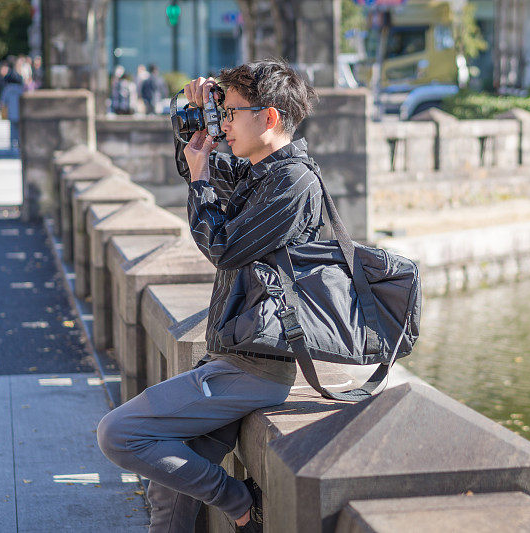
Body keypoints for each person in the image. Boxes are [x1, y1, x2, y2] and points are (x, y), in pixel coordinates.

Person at [97, 58, 322, 533]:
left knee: (118, 434)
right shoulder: (261, 172)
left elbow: (223, 247)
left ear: (270, 117)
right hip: (230, 359)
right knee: (168, 487)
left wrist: (201, 180)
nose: (226, 123)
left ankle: (238, 499)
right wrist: (202, 117)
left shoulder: (293, 182)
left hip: (256, 368)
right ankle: (227, 501)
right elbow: (197, 165)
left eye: (234, 113)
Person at [0, 58, 25, 152]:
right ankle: (19, 143)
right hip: (19, 111)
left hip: (11, 111)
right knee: (19, 128)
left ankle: (12, 144)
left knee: (12, 129)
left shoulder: (7, 89)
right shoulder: (20, 89)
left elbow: (3, 101)